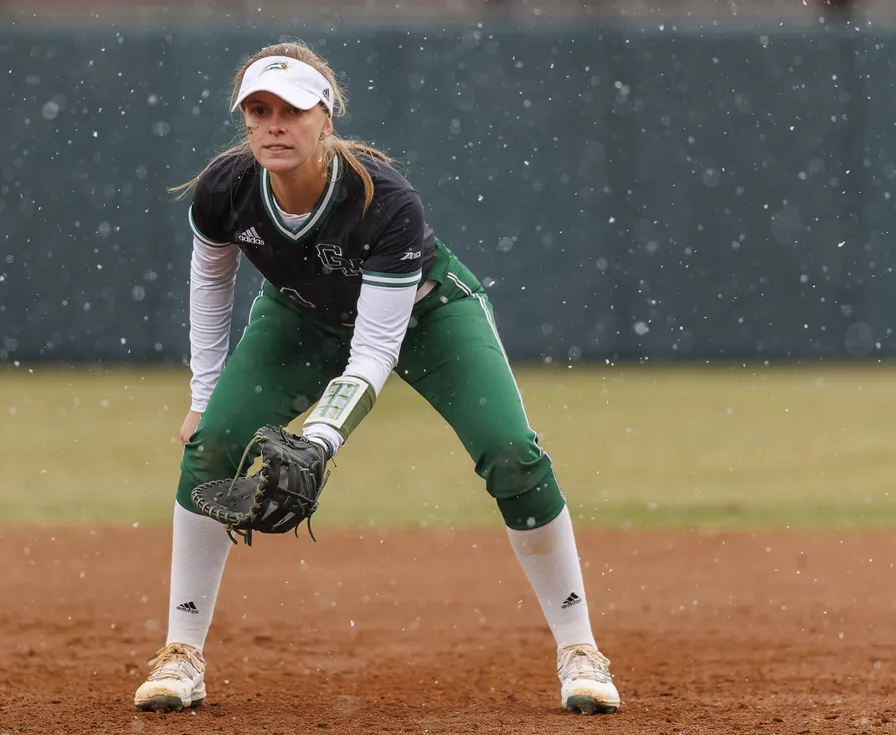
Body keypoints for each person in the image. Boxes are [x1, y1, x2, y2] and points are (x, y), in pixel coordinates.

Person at [130, 41, 623, 716]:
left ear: (325, 120)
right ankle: (181, 653)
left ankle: (580, 649)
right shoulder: (226, 188)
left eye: (293, 110)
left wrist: (322, 439)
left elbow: (374, 348)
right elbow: (211, 285)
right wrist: (203, 395)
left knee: (512, 452)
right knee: (210, 445)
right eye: (260, 109)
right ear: (244, 119)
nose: (275, 123)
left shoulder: (381, 199)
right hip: (298, 317)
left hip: (428, 315)